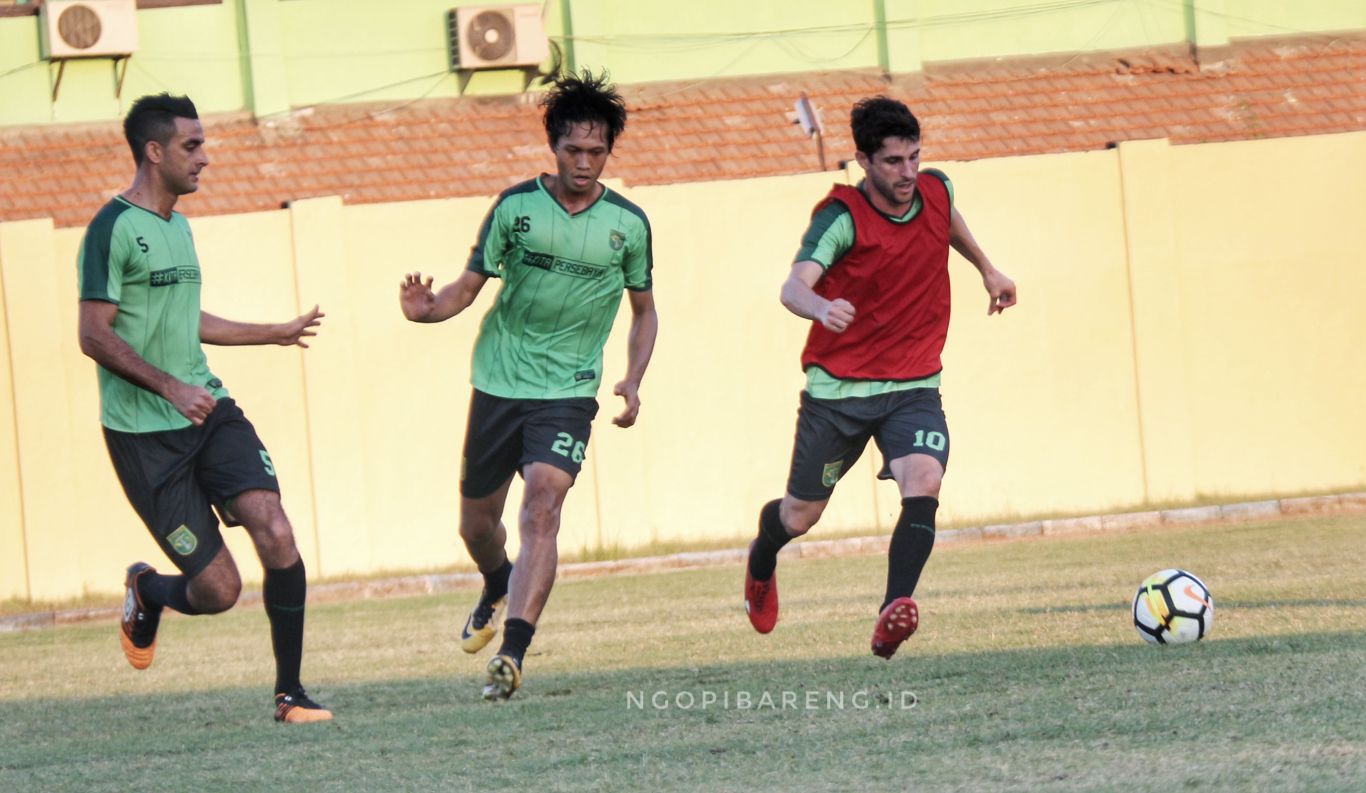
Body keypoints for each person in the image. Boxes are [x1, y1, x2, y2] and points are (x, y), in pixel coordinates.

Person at [399, 70, 657, 700]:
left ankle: (512, 652)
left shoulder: (629, 224)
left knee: (543, 505)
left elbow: (645, 310)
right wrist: (426, 309)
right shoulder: (514, 209)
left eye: (597, 152)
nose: (585, 163)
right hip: (498, 382)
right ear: (554, 146)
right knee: (476, 527)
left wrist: (630, 378)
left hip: (567, 391)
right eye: (574, 150)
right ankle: (495, 580)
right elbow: (466, 287)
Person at [76, 93, 331, 723]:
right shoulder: (112, 229)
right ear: (154, 151)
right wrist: (169, 387)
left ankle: (290, 694)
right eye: (192, 146)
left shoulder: (179, 225)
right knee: (219, 591)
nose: (205, 158)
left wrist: (268, 331)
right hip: (145, 437)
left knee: (275, 528)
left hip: (208, 412)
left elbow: (186, 320)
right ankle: (148, 590)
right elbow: (93, 334)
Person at [744, 96, 1017, 658]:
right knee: (801, 515)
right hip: (837, 392)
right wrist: (819, 308)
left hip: (913, 385)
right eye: (894, 162)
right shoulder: (841, 216)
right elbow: (794, 285)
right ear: (865, 161)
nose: (908, 173)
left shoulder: (934, 190)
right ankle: (763, 554)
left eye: (915, 157)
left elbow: (947, 221)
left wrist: (988, 268)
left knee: (925, 480)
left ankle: (894, 610)